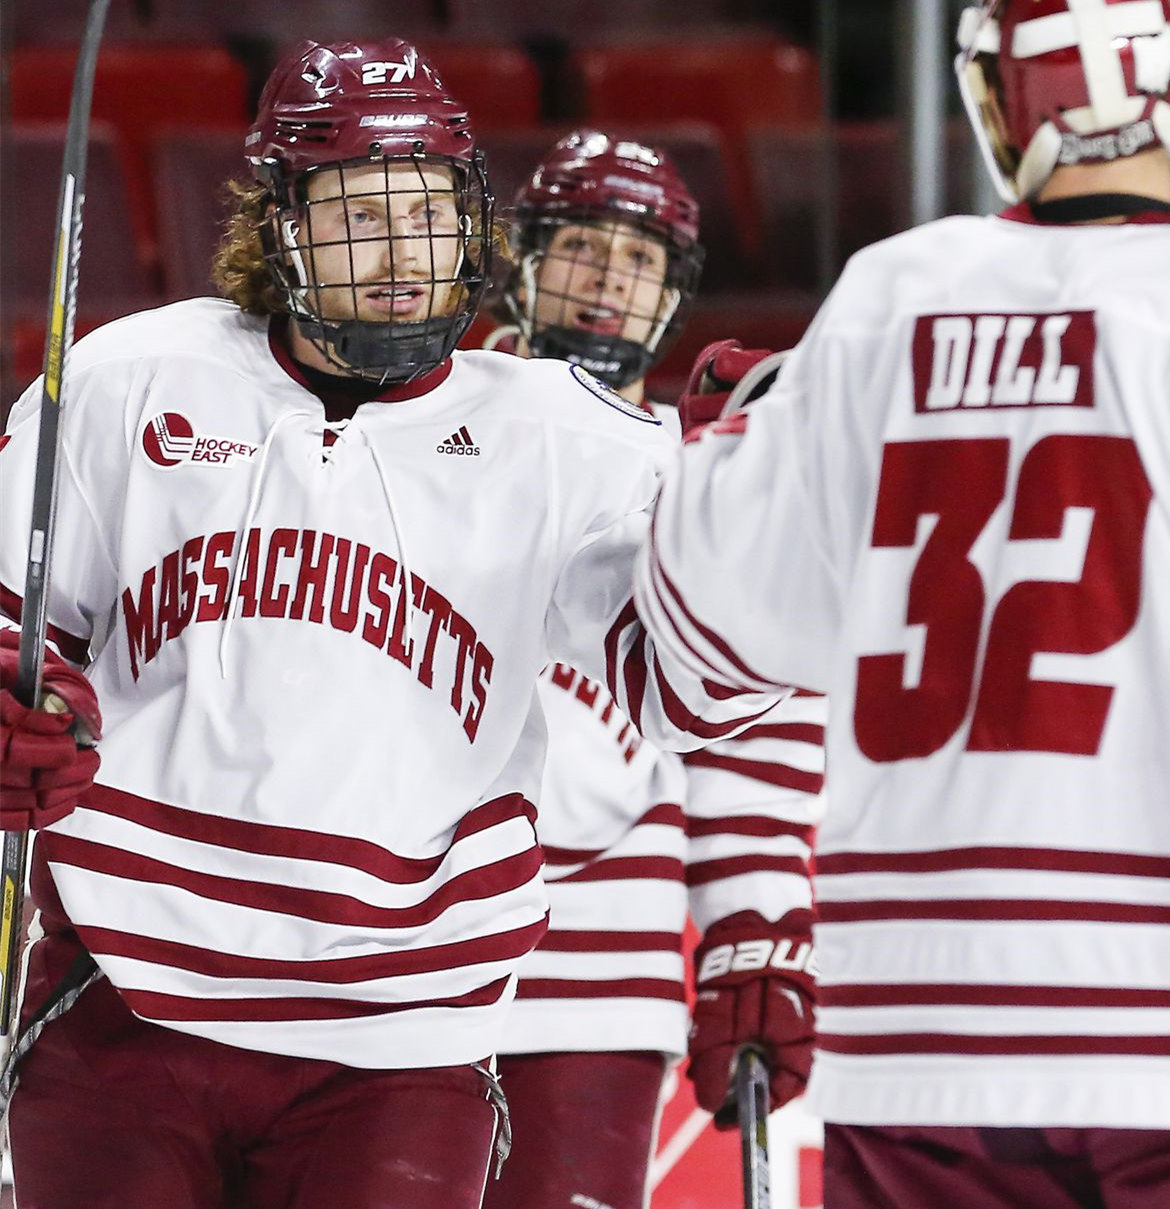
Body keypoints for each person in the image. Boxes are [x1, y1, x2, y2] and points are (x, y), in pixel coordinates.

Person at [635, 1, 1170, 1206]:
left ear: (997, 104)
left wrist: (741, 441)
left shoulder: (887, 303)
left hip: (918, 1054)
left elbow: (704, 634)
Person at [0, 39, 783, 1209]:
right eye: (361, 216)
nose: (405, 255)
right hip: (121, 1008)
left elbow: (699, 698)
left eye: (428, 213)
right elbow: (16, 620)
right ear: (278, 226)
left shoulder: (568, 435)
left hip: (400, 1050)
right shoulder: (131, 379)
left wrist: (736, 522)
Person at [481, 129, 824, 1209]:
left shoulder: (698, 478)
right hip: (395, 972)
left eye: (639, 263)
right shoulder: (426, 431)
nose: (607, 285)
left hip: (599, 992)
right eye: (584, 247)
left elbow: (751, 734)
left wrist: (753, 932)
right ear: (524, 257)